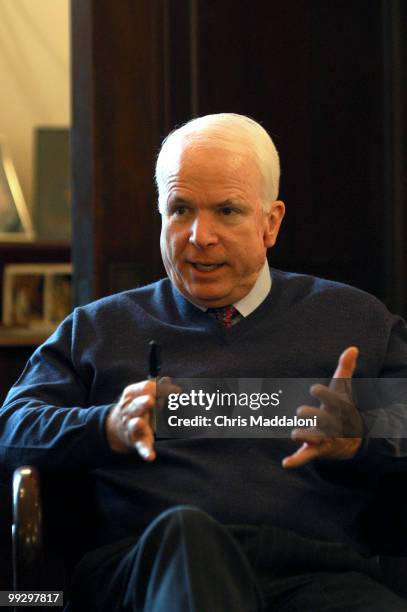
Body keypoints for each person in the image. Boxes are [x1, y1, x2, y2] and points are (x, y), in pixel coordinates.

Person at [2, 113, 407, 611]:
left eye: (228, 212)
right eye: (180, 209)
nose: (199, 236)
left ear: (271, 222)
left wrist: (359, 437)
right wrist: (105, 425)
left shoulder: (355, 322)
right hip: (151, 573)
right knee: (188, 535)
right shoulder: (99, 329)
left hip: (313, 574)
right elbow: (14, 429)